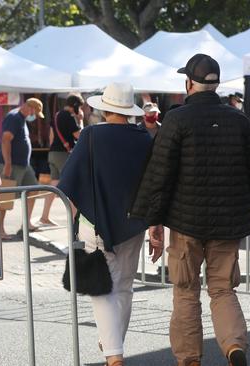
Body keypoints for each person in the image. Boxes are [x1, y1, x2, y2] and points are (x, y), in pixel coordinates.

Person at [131, 54, 250, 366]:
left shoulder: (178, 120)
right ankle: (233, 346)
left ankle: (189, 359)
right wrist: (241, 212)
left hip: (186, 224)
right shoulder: (239, 120)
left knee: (186, 292)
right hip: (227, 225)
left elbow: (160, 173)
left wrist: (154, 222)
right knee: (223, 290)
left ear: (189, 83)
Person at [58, 83, 152, 366]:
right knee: (124, 286)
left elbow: (69, 181)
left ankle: (113, 354)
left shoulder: (91, 136)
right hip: (134, 222)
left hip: (95, 222)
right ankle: (114, 344)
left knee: (103, 287)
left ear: (105, 107)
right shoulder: (143, 138)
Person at [0, 98, 44, 238]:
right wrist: (8, 164)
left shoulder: (20, 118)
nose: (34, 117)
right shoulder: (14, 117)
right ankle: (0, 230)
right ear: (30, 108)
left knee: (33, 189)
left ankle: (27, 223)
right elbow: (5, 139)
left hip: (23, 164)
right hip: (13, 165)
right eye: (35, 113)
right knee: (5, 198)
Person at [40, 93, 84, 226]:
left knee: (54, 185)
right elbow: (79, 136)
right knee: (72, 185)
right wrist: (81, 120)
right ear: (76, 106)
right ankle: (74, 218)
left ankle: (44, 216)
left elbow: (51, 136)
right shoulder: (69, 117)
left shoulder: (57, 115)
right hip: (62, 154)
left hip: (53, 153)